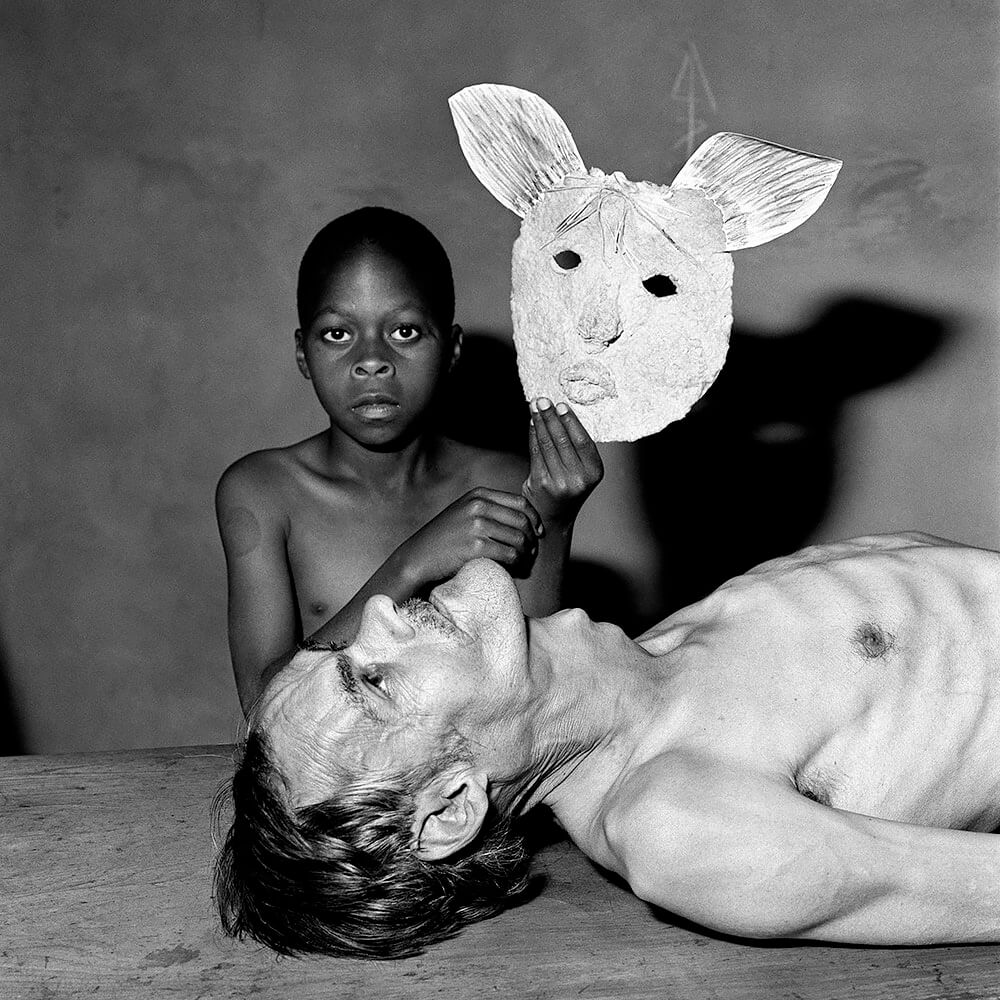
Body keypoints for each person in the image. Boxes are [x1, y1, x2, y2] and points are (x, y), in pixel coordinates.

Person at [214, 531, 1000, 958]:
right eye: (376, 684)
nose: (381, 607)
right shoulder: (680, 825)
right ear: (451, 806)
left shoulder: (648, 661)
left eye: (345, 649)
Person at [215, 207, 603, 712]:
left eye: (405, 332)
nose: (371, 359)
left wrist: (555, 521)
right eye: (337, 333)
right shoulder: (263, 492)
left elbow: (528, 700)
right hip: (334, 786)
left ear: (452, 350)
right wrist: (411, 564)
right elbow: (267, 709)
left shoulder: (504, 484)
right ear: (303, 355)